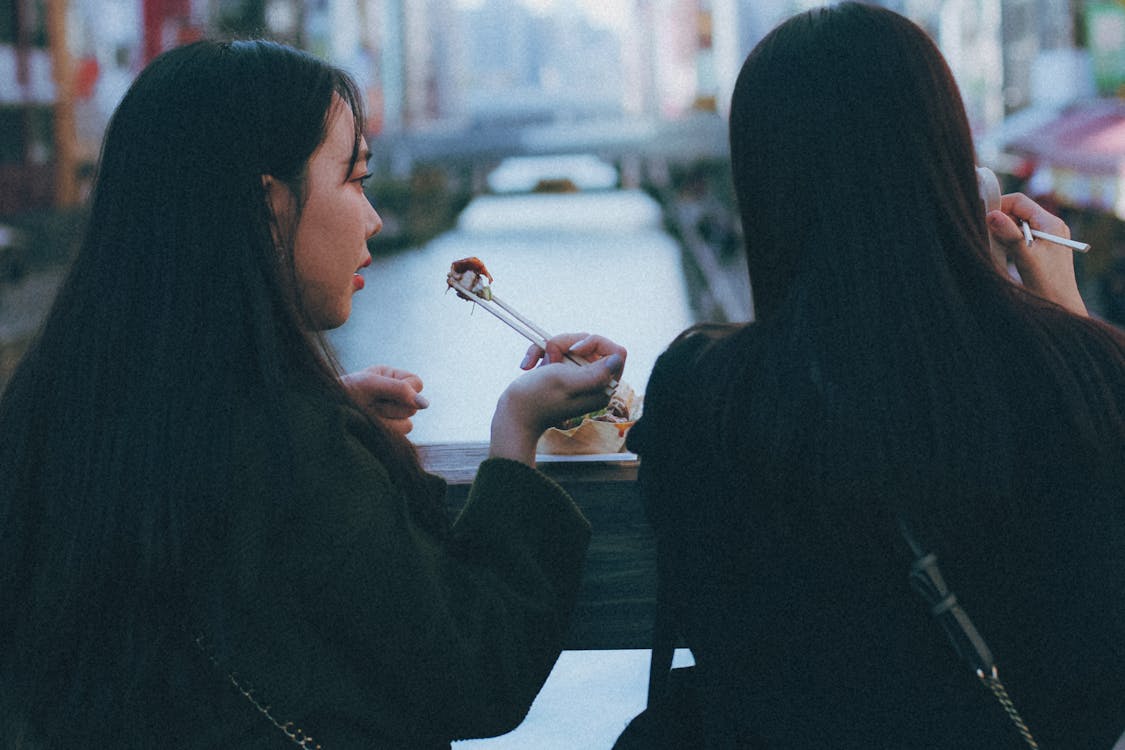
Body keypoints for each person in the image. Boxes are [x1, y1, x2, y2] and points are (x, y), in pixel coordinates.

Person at [0, 40, 626, 748]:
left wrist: (314, 411)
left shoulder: (48, 416)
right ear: (268, 205)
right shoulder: (291, 454)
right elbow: (476, 673)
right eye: (354, 180)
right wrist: (517, 432)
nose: (374, 220)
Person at [626, 3, 1125, 748]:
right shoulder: (1090, 372)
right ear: (961, 174)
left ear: (765, 185)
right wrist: (1068, 322)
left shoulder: (703, 390)